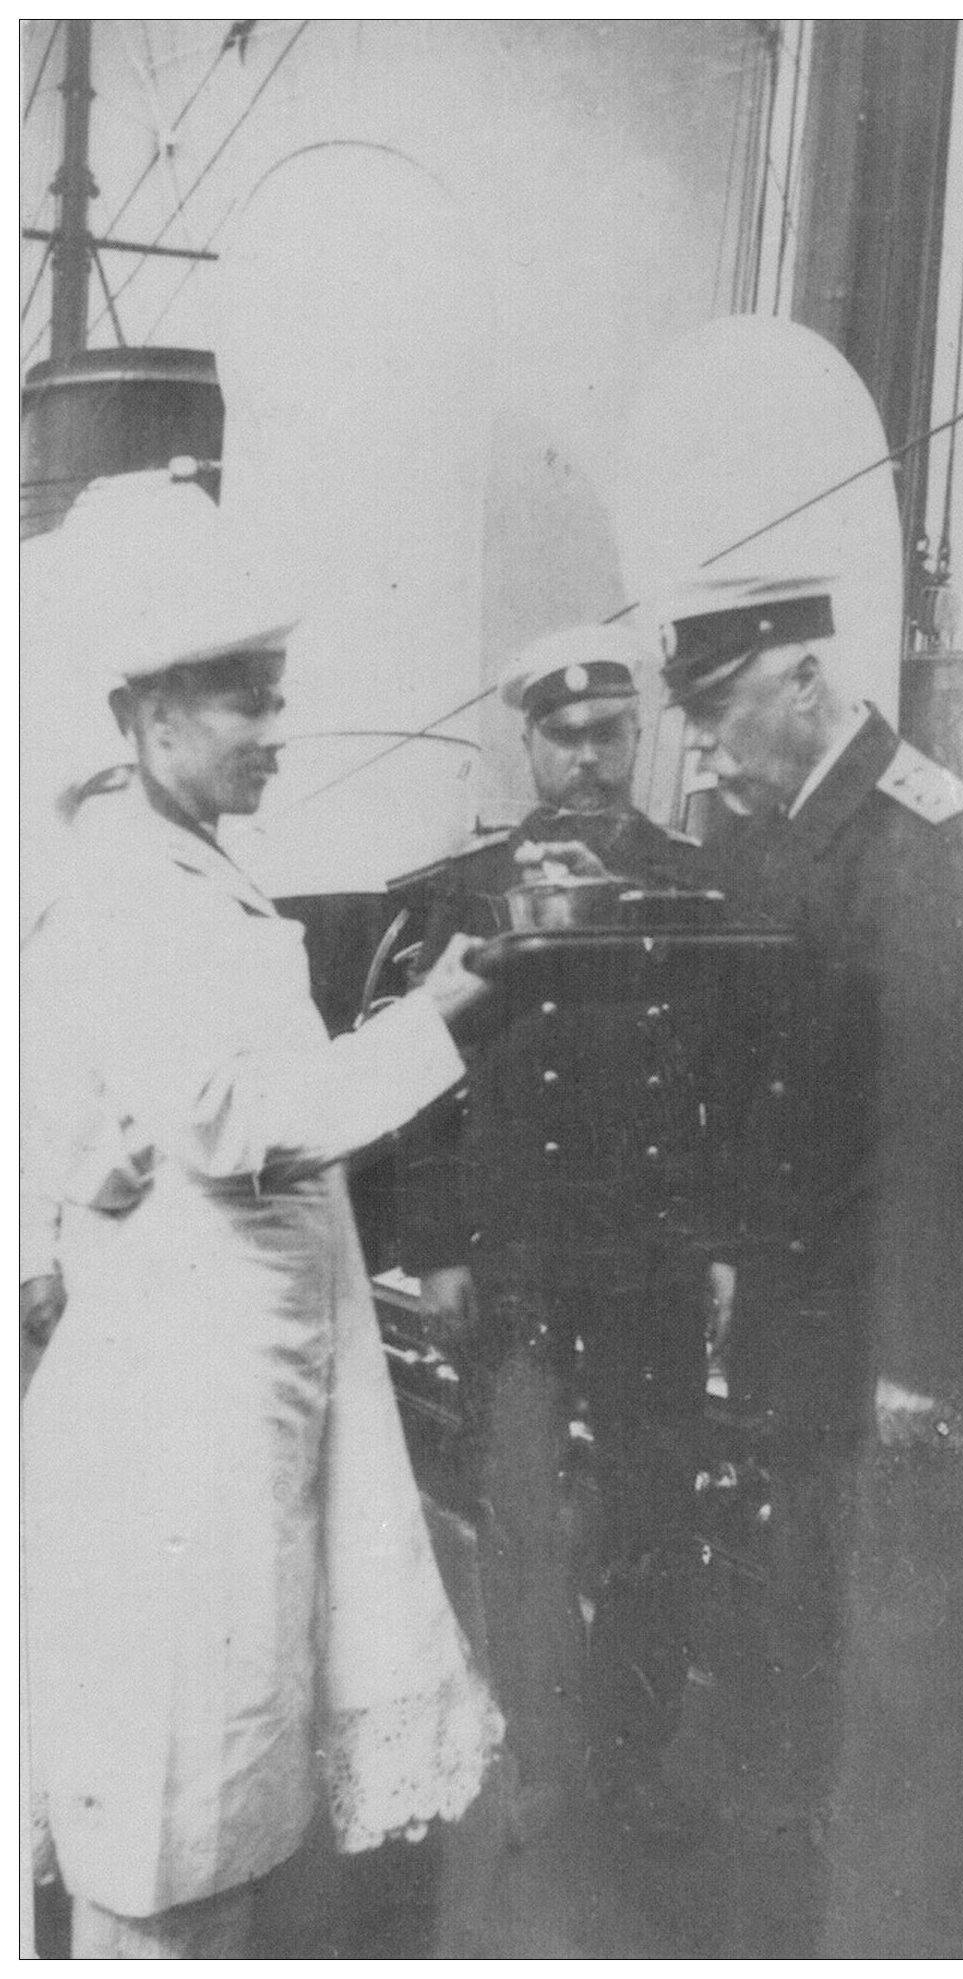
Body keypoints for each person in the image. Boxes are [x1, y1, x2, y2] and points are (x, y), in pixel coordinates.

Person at [20, 470, 503, 1959]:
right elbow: (229, 1115)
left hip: (231, 1387)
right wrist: (435, 1018)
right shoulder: (133, 885)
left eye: (276, 692)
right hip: (190, 1414)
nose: (277, 727)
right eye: (249, 697)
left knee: (209, 1776)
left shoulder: (172, 867)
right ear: (150, 712)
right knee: (179, 1789)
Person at [655, 577, 963, 1949]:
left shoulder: (924, 832)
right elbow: (769, 1090)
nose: (702, 745)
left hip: (908, 1342)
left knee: (899, 1669)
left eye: (718, 709)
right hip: (817, 1332)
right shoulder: (779, 843)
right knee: (820, 1648)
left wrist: (913, 1359)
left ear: (805, 681)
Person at [391, 624, 723, 1841]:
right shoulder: (468, 890)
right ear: (528, 744)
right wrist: (437, 1247)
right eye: (566, 737)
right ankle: (540, 1751)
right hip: (515, 1249)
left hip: (650, 1249)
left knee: (651, 1502)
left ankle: (635, 1755)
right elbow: (423, 1079)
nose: (589, 758)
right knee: (522, 1502)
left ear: (638, 735)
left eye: (609, 734)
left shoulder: (689, 882)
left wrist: (723, 1241)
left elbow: (726, 1070)